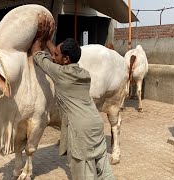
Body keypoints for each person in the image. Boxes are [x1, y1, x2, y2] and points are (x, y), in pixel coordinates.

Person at [30, 18, 115, 179]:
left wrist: (39, 36)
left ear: (66, 59)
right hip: (96, 125)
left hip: (80, 130)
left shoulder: (60, 74)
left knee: (83, 171)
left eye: (56, 55)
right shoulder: (84, 73)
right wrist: (49, 39)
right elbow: (56, 53)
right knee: (102, 168)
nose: (53, 57)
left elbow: (37, 55)